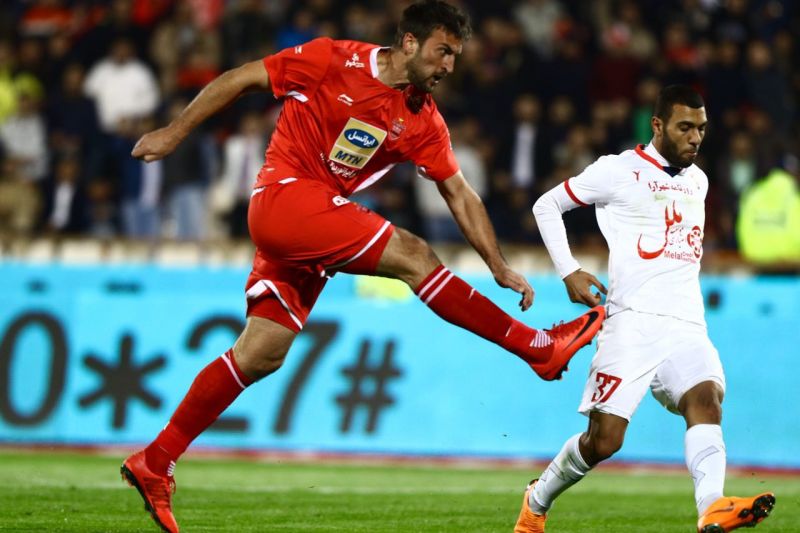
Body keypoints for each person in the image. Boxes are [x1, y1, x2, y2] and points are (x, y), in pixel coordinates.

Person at [119, 2, 604, 532]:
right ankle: (536, 347)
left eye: (456, 56)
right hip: (284, 197)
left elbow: (459, 192)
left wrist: (498, 264)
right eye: (443, 51)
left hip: (310, 228)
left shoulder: (422, 118)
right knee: (414, 255)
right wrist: (174, 132)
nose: (448, 66)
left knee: (260, 354)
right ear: (410, 42)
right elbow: (241, 78)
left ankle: (156, 460)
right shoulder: (331, 59)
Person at [515, 85, 775, 533]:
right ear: (657, 125)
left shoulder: (698, 180)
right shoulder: (618, 170)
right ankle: (535, 502)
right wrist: (569, 270)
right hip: (631, 325)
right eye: (685, 127)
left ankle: (712, 507)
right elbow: (547, 205)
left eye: (701, 128)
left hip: (687, 324)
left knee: (706, 400)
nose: (695, 137)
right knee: (604, 441)